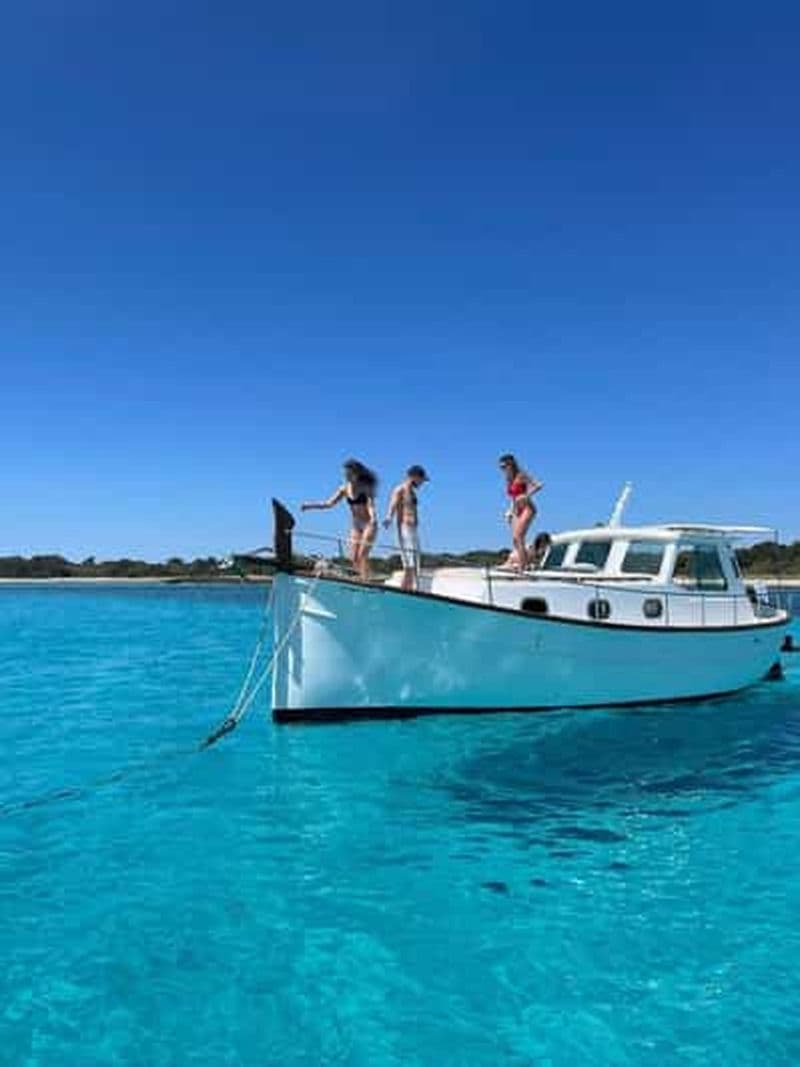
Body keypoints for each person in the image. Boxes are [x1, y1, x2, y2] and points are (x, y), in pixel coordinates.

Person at [301, 458, 378, 580]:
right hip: (356, 525)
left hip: (369, 523)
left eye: (348, 473)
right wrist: (310, 506)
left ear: (356, 473)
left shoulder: (364, 487)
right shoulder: (344, 489)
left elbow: (370, 505)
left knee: (362, 554)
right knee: (353, 557)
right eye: (345, 473)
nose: (345, 475)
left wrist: (373, 518)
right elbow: (328, 504)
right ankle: (362, 579)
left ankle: (367, 581)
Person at [383, 465, 429, 590]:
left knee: (415, 563)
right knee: (409, 564)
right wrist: (388, 517)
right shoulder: (400, 489)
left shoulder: (413, 492)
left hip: (413, 530)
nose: (422, 483)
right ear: (414, 477)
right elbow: (392, 504)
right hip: (404, 529)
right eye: (421, 480)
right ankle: (404, 590)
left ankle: (410, 589)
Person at [499, 453, 543, 572]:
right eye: (501, 467)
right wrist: (510, 510)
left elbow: (538, 485)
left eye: (504, 467)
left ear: (511, 465)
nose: (502, 470)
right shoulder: (508, 479)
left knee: (518, 537)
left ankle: (522, 567)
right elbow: (513, 497)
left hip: (527, 508)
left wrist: (526, 495)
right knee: (515, 539)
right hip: (516, 510)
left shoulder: (521, 475)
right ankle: (524, 562)